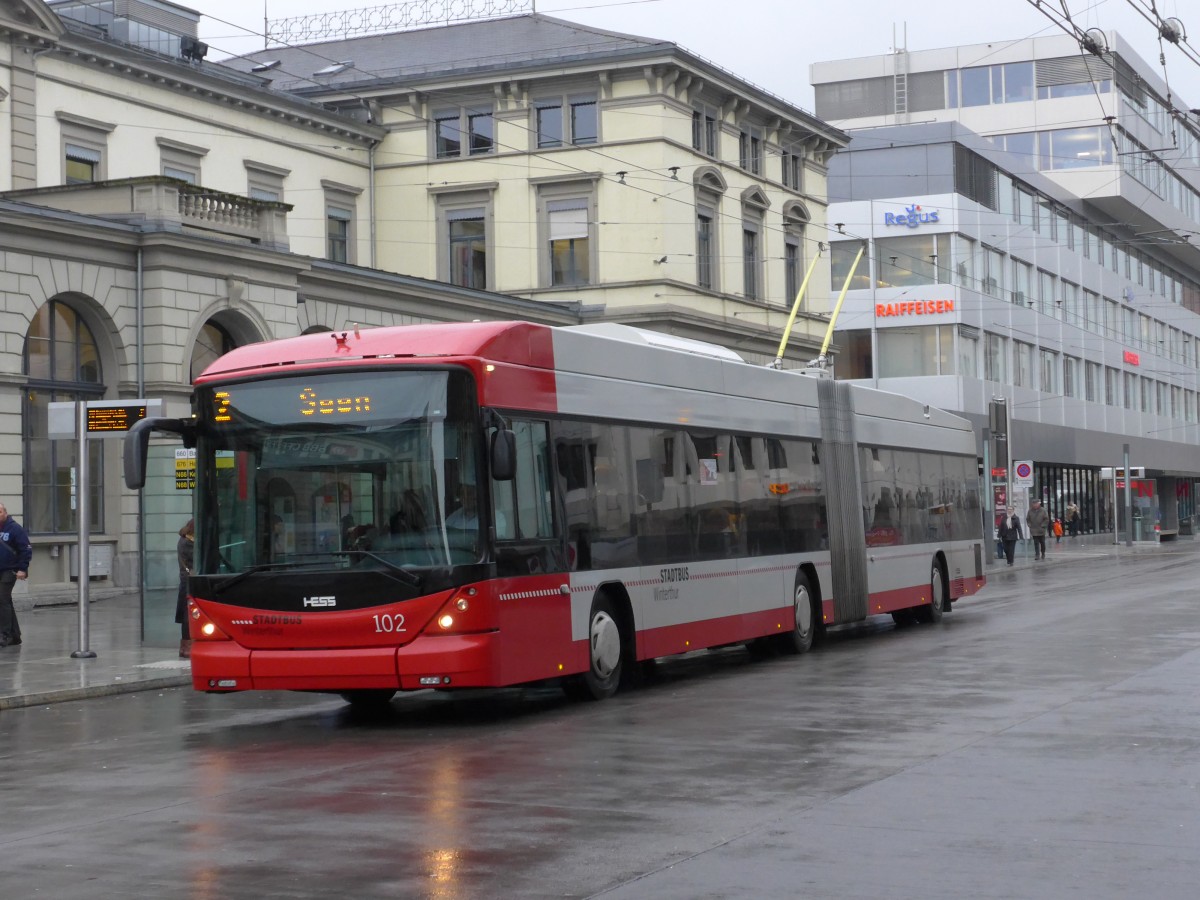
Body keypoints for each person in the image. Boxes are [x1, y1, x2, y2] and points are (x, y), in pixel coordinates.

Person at [0, 502, 32, 648]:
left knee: (2, 600)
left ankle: (4, 635)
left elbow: (25, 549)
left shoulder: (15, 528)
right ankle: (15, 635)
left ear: (5, 512)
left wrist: (22, 568)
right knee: (6, 601)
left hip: (10, 570)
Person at [176, 519, 194, 659]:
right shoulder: (188, 543)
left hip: (185, 580)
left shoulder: (183, 540)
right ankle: (187, 646)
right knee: (188, 614)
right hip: (189, 580)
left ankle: (185, 646)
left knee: (185, 613)